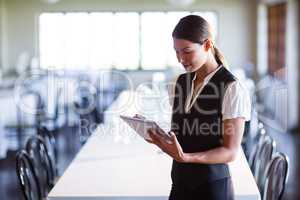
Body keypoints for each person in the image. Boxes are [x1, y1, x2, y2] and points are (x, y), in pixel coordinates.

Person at [146, 15, 251, 200]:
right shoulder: (181, 82)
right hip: (179, 185)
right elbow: (184, 132)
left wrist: (187, 158)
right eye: (176, 52)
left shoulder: (231, 88)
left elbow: (230, 151)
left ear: (207, 45)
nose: (180, 59)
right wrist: (161, 138)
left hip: (212, 189)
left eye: (186, 51)